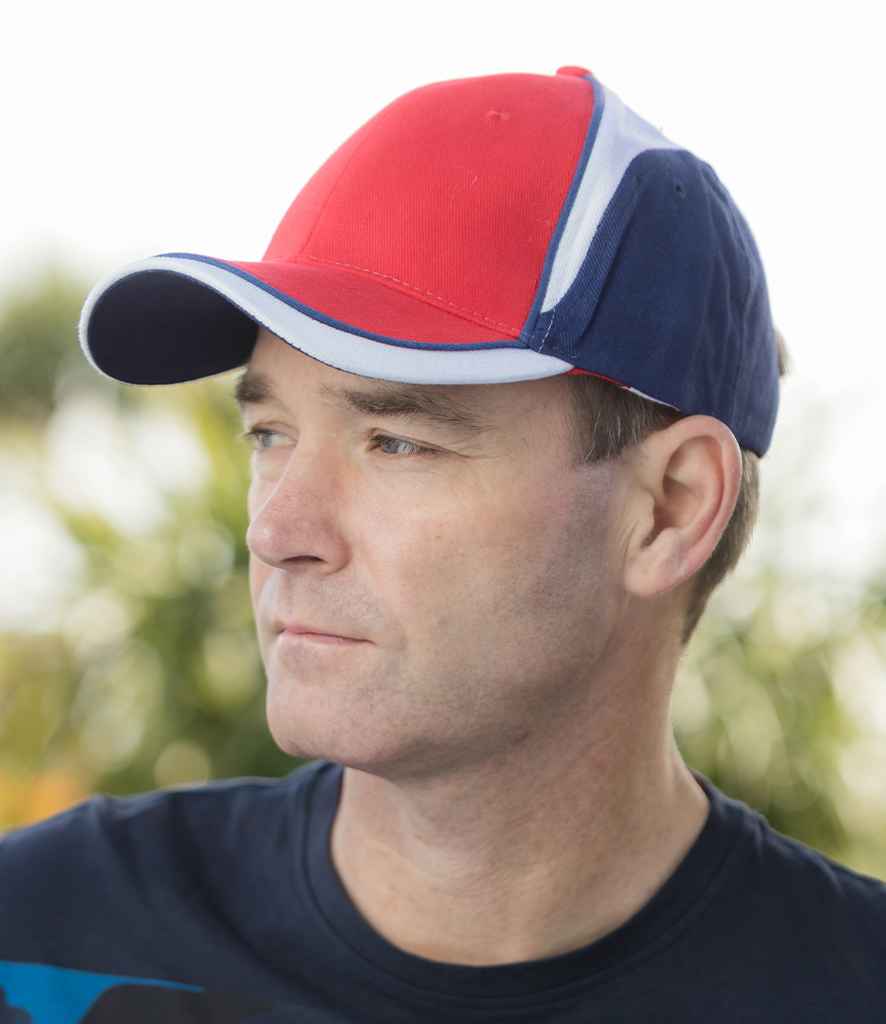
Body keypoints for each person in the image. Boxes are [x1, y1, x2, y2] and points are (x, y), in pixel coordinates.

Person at [1, 65, 883, 1023]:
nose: (276, 531)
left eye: (397, 442)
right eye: (270, 434)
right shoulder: (36, 935)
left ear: (671, 509)